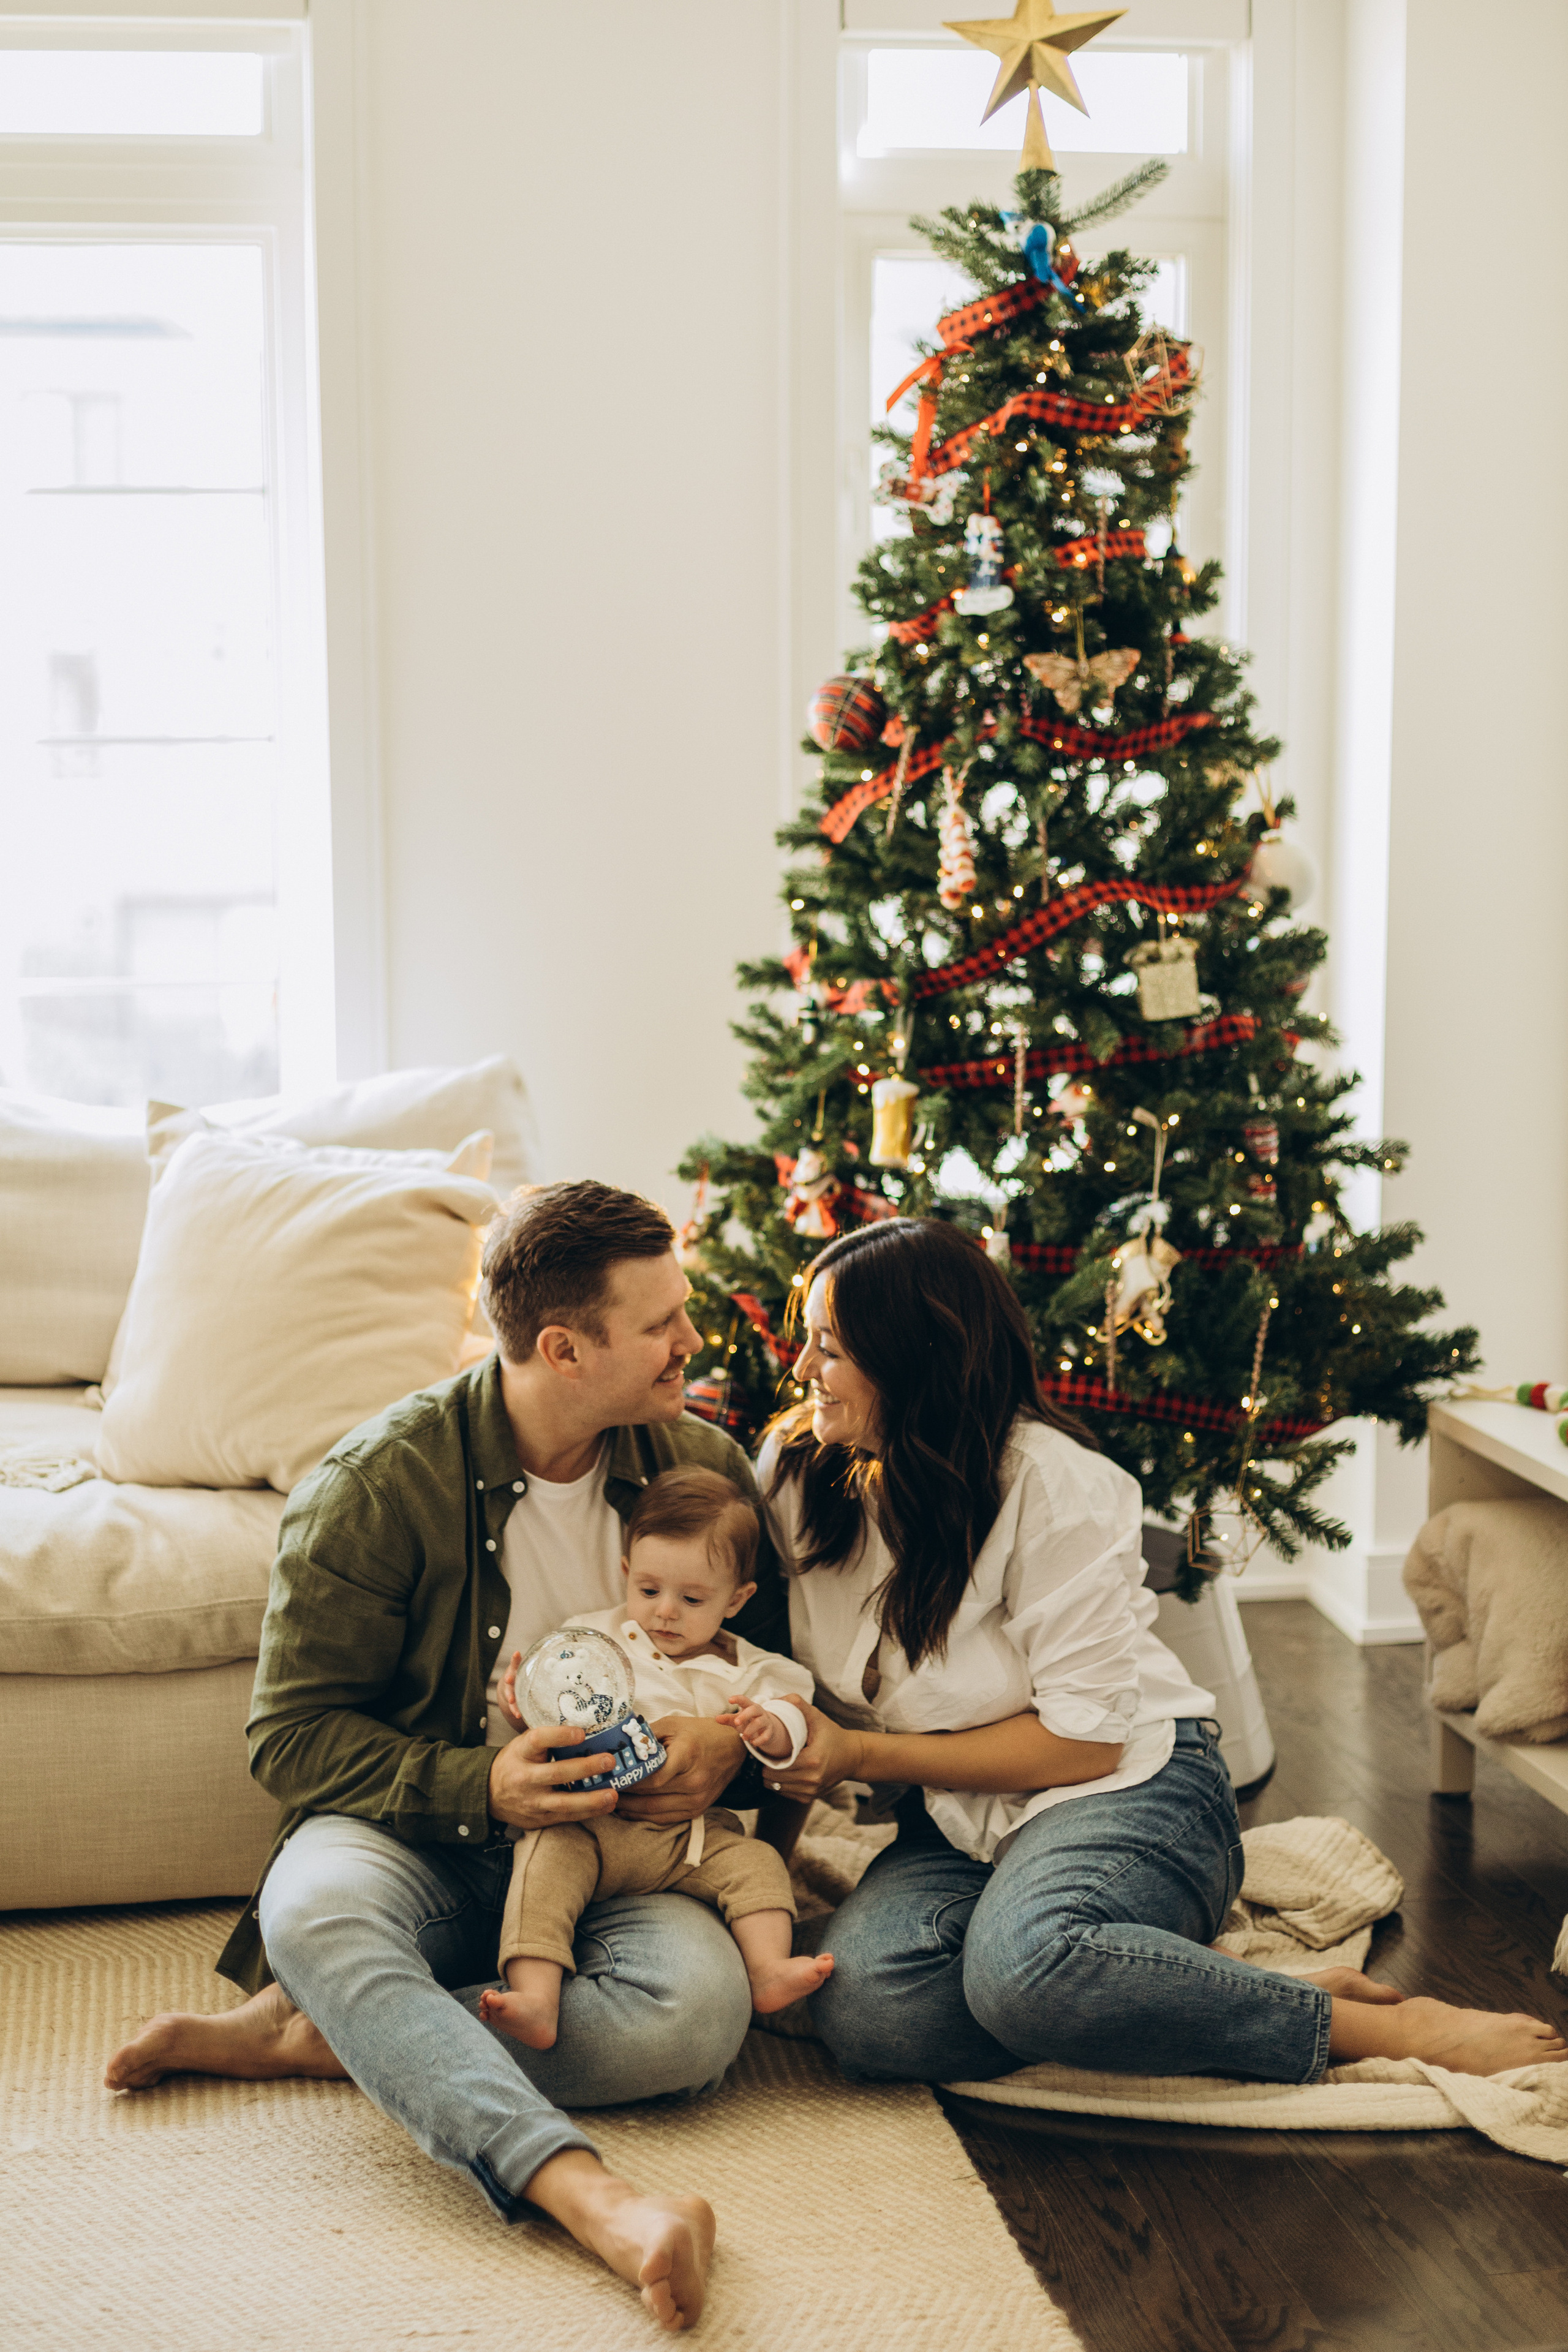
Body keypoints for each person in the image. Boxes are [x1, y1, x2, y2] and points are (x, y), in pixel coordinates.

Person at [106, 1180, 793, 2332]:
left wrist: (722, 1747)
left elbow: (766, 1684)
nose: (694, 1338)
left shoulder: (700, 1468)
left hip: (622, 1853)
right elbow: (291, 1737)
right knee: (315, 1913)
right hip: (418, 1832)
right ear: (565, 1349)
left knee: (696, 2020)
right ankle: (596, 2202)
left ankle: (337, 2033)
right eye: (663, 1322)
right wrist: (485, 1783)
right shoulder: (377, 1485)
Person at [755, 1217, 1568, 2087]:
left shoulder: (1055, 1488)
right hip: (958, 1814)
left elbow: (1087, 1743)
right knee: (872, 2014)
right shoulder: (796, 1473)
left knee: (1022, 1975)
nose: (802, 1371)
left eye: (829, 1349)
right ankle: (1188, 1983)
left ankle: (1373, 2030)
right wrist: (767, 1872)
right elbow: (783, 1692)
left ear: (913, 1358)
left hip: (1128, 1786)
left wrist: (861, 1754)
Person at [479, 1466, 833, 2051]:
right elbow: (558, 1709)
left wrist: (769, 1726)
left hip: (691, 1839)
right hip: (593, 1823)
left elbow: (798, 1713)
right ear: (626, 1575)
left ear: (738, 1599)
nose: (665, 1612)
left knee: (759, 1864)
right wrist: (525, 1709)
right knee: (541, 1861)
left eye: (692, 1599)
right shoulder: (595, 1640)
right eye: (648, 1591)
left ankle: (768, 1967)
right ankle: (535, 1998)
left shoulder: (753, 1671)